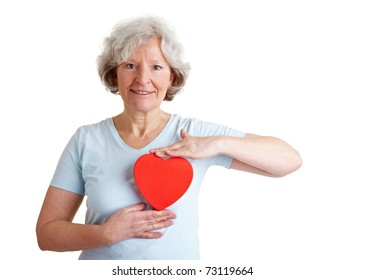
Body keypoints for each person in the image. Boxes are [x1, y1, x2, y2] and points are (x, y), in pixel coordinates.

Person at [36, 16, 302, 260]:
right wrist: (106, 234)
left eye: (156, 67)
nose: (143, 79)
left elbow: (289, 161)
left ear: (172, 76)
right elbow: (46, 234)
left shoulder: (193, 135)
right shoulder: (86, 139)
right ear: (114, 72)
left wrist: (215, 144)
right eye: (130, 65)